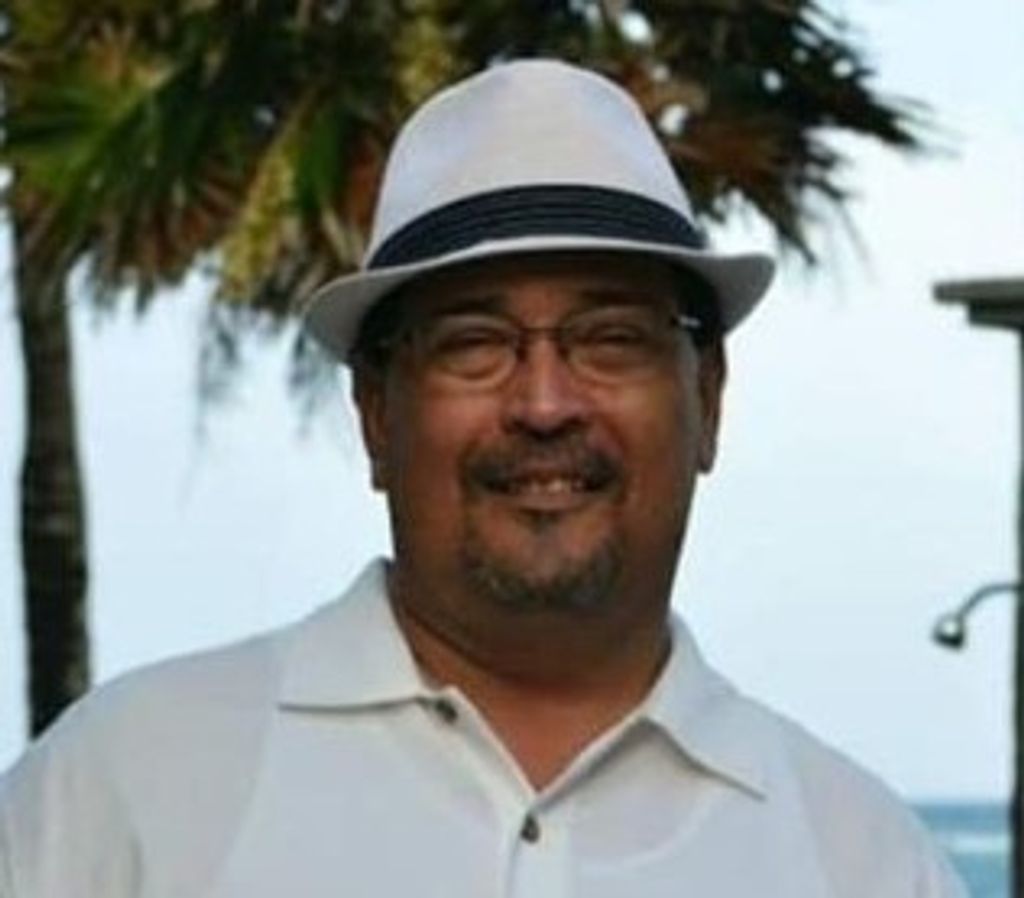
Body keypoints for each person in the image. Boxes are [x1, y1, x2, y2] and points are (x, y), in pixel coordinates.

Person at [0, 60, 965, 898]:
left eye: (612, 339)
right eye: (473, 343)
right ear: (376, 413)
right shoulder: (124, 793)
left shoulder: (866, 863)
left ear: (706, 399)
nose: (545, 403)